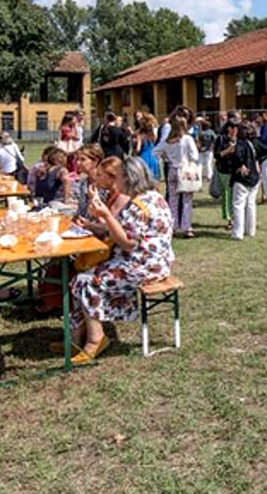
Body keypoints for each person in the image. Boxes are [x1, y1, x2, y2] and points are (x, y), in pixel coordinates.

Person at [69, 157, 174, 363]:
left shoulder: (139, 205)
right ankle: (77, 337)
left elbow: (127, 243)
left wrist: (105, 215)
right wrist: (94, 226)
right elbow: (120, 231)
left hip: (143, 266)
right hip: (152, 262)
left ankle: (94, 339)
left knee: (85, 280)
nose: (116, 182)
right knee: (81, 275)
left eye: (118, 177)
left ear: (129, 178)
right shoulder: (153, 197)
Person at [162, 115, 198, 238]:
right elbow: (195, 155)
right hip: (184, 169)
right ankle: (186, 227)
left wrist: (168, 157)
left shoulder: (168, 140)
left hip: (172, 168)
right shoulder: (187, 139)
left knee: (173, 199)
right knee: (187, 199)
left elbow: (158, 152)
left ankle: (173, 226)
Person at [229, 122, 262, 239]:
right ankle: (251, 230)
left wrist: (240, 164)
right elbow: (264, 151)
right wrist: (257, 162)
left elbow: (237, 156)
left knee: (238, 205)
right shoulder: (255, 143)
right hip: (255, 177)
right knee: (251, 204)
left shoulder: (240, 144)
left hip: (242, 178)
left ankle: (238, 233)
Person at [134, 114, 161, 182]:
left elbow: (138, 149)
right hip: (153, 157)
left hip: (144, 156)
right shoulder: (152, 134)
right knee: (154, 178)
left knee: (144, 178)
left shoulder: (140, 134)